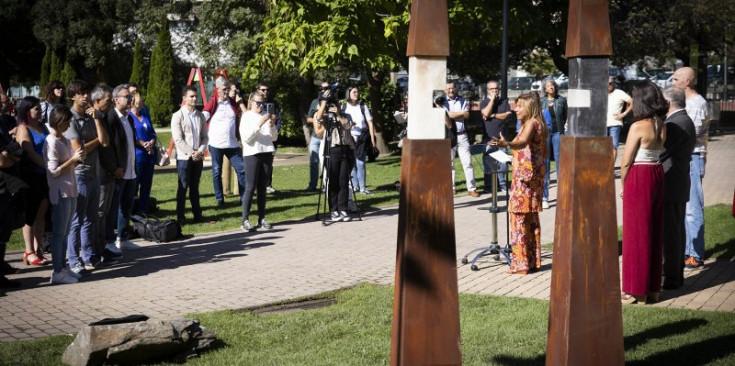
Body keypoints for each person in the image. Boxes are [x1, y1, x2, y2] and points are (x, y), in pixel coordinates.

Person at [619, 80, 667, 304]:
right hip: (657, 174)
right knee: (654, 231)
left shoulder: (638, 126)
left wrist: (623, 185)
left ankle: (636, 290)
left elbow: (626, 160)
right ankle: (653, 288)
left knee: (636, 234)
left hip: (640, 176)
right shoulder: (661, 123)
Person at [490, 92, 547, 274]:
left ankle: (520, 264)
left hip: (525, 178)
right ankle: (531, 261)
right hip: (532, 175)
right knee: (529, 219)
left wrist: (506, 144)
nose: (516, 109)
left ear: (529, 107)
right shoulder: (537, 123)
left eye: (520, 105)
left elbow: (522, 143)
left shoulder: (531, 123)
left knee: (518, 217)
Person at [65, 81, 110, 275]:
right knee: (76, 220)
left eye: (87, 93)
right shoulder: (70, 119)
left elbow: (105, 142)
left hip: (95, 172)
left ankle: (88, 255)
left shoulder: (92, 116)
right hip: (79, 174)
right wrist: (96, 142)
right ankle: (73, 260)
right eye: (81, 93)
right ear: (73, 96)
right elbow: (78, 151)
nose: (86, 96)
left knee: (91, 218)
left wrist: (98, 120)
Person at [672, 66, 710, 273]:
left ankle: (695, 255)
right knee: (686, 208)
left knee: (693, 207)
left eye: (676, 79)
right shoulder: (687, 102)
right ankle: (687, 251)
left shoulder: (696, 104)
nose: (672, 82)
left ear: (687, 82)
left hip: (693, 157)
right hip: (686, 157)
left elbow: (688, 135)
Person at [659, 86, 696, 291]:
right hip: (677, 182)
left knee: (671, 234)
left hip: (672, 183)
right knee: (675, 231)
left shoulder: (676, 123)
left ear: (668, 102)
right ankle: (675, 274)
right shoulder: (681, 119)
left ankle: (672, 276)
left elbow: (660, 153)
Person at [44, 105, 86, 284]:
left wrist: (77, 159)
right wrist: (73, 160)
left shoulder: (64, 140)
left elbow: (69, 164)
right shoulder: (51, 141)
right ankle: (57, 271)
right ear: (58, 121)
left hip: (70, 189)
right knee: (59, 233)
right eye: (66, 122)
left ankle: (63, 267)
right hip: (60, 191)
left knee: (67, 231)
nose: (68, 126)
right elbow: (53, 170)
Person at [15, 96, 51, 266]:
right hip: (31, 175)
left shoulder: (43, 126)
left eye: (40, 107)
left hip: (46, 175)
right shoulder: (23, 128)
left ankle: (38, 249)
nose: (39, 111)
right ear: (27, 110)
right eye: (35, 108)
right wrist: (48, 166)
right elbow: (29, 151)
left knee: (42, 212)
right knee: (30, 213)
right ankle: (28, 251)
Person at [105, 84, 140, 252]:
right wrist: (115, 167)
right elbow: (109, 147)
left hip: (131, 169)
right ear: (116, 99)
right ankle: (109, 240)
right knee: (113, 207)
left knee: (126, 206)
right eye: (127, 96)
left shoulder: (129, 118)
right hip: (119, 170)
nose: (130, 99)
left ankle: (123, 237)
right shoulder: (111, 118)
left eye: (130, 97)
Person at [203, 77, 247, 207]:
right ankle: (220, 199)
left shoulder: (232, 103)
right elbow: (203, 116)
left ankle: (244, 198)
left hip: (232, 144)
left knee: (242, 168)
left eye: (228, 89)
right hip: (216, 143)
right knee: (217, 171)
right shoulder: (213, 103)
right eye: (224, 89)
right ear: (217, 89)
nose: (226, 92)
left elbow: (243, 115)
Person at [314, 90, 355, 222]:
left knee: (343, 181)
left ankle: (342, 208)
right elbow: (318, 119)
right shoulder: (327, 116)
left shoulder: (346, 115)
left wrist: (338, 113)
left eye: (336, 103)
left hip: (346, 149)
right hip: (332, 150)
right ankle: (333, 210)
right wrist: (324, 102)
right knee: (333, 181)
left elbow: (347, 127)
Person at [240, 92, 278, 231]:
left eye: (263, 103)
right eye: (258, 103)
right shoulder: (246, 117)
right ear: (251, 102)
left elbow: (273, 138)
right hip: (252, 153)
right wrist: (259, 123)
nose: (261, 106)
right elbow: (247, 137)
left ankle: (261, 218)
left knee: (262, 188)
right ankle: (245, 220)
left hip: (267, 152)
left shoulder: (266, 117)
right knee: (250, 187)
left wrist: (272, 124)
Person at [172, 86, 209, 224]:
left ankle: (197, 215)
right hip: (184, 157)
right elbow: (178, 139)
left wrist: (200, 150)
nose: (194, 98)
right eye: (191, 96)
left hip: (198, 156)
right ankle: (180, 217)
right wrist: (191, 152)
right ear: (184, 98)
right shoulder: (177, 116)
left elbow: (205, 136)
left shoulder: (200, 116)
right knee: (183, 187)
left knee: (195, 187)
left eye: (195, 96)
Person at [0, 99, 24, 288]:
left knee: (4, 231)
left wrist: (11, 154)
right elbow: (2, 161)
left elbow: (16, 152)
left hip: (7, 187)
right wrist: (10, 154)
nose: (4, 105)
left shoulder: (5, 122)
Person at [442, 81, 480, 197]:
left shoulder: (462, 100)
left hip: (462, 135)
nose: (451, 90)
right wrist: (460, 113)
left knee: (467, 162)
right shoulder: (441, 102)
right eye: (448, 88)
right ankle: (451, 188)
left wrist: (450, 114)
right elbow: (443, 116)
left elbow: (467, 115)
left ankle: (471, 188)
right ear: (444, 90)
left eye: (453, 88)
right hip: (449, 135)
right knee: (450, 163)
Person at [480, 80, 513, 194]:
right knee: (488, 162)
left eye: (496, 88)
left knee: (502, 163)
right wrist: (492, 100)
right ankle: (488, 186)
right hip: (488, 137)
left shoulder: (504, 102)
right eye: (492, 89)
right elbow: (485, 113)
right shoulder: (484, 102)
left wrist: (492, 115)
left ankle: (502, 184)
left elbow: (507, 116)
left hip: (501, 138)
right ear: (488, 90)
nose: (495, 91)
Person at [342, 86, 376, 195]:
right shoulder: (343, 106)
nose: (356, 94)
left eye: (357, 92)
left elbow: (370, 123)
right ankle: (355, 186)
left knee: (360, 163)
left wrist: (372, 139)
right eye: (354, 92)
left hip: (361, 137)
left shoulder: (362, 106)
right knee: (351, 163)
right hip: (349, 138)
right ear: (348, 93)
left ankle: (362, 188)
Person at [540, 79, 567, 209]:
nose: (550, 87)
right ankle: (545, 197)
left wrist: (561, 129)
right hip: (545, 134)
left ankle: (562, 195)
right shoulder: (542, 101)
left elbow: (565, 116)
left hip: (558, 132)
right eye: (548, 86)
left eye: (552, 85)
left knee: (560, 162)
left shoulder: (561, 100)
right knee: (545, 163)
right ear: (545, 89)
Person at [129, 92, 157, 213]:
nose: (142, 102)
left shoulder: (144, 116)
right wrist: (141, 143)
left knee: (146, 185)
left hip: (149, 156)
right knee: (134, 186)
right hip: (137, 156)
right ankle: (132, 211)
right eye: (140, 100)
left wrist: (151, 141)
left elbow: (153, 132)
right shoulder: (129, 117)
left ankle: (144, 211)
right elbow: (130, 135)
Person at [305, 81, 329, 192]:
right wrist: (317, 118)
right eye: (322, 88)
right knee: (314, 162)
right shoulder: (315, 102)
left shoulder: (332, 102)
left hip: (327, 137)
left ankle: (326, 184)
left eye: (327, 88)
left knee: (326, 162)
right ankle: (312, 185)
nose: (324, 90)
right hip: (315, 136)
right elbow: (308, 118)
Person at [257, 82, 280, 194]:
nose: (265, 92)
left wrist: (275, 129)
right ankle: (257, 185)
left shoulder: (274, 103)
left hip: (271, 137)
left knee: (269, 163)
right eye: (263, 90)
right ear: (258, 90)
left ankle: (268, 184)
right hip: (258, 137)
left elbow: (279, 120)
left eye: (267, 90)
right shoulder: (255, 104)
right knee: (257, 162)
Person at [607, 76, 633, 163]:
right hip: (601, 124)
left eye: (610, 83)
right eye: (606, 83)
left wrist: (624, 114)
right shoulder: (600, 93)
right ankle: (604, 167)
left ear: (614, 84)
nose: (608, 85)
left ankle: (611, 168)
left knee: (613, 146)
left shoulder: (619, 93)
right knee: (602, 147)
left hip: (615, 123)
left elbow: (632, 102)